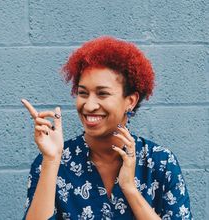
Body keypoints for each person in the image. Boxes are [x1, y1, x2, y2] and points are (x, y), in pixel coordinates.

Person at [22, 36, 193, 220]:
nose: (89, 105)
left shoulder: (161, 163)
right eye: (82, 93)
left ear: (131, 101)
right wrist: (51, 160)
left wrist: (130, 189)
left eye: (102, 94)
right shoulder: (51, 161)